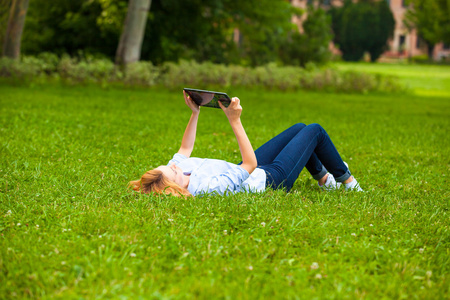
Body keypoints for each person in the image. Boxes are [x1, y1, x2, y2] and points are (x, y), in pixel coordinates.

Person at [129, 91, 363, 197]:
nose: (174, 165)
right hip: (271, 179)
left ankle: (324, 179)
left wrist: (195, 112)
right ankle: (349, 182)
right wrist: (234, 120)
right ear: (176, 188)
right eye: (172, 170)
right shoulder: (208, 188)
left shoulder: (177, 174)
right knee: (315, 131)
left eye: (168, 165)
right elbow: (250, 164)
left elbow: (184, 150)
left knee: (300, 129)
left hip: (248, 170)